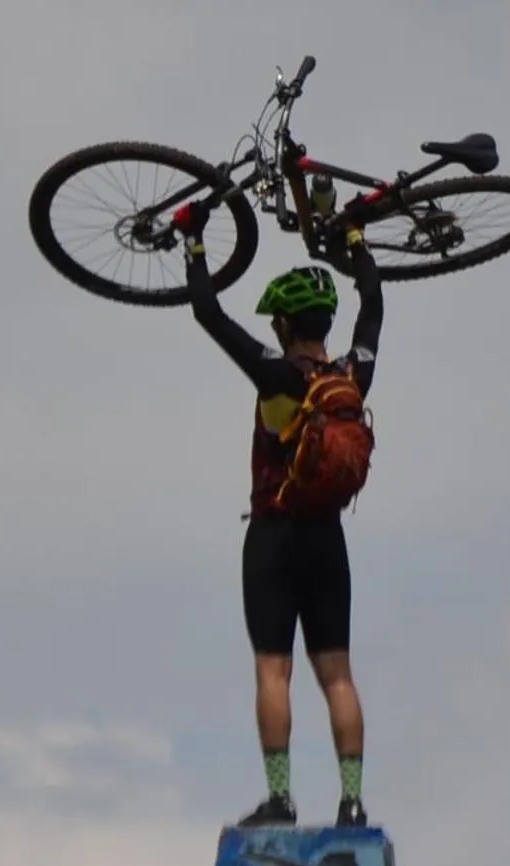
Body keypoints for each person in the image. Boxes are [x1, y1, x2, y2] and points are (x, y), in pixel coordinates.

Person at [172, 201, 383, 829]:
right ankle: (351, 802)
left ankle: (281, 798)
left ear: (286, 323)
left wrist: (194, 241)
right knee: (337, 674)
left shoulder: (277, 378)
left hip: (274, 537)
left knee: (274, 669)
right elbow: (373, 306)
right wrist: (354, 237)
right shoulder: (353, 375)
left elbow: (207, 311)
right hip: (329, 541)